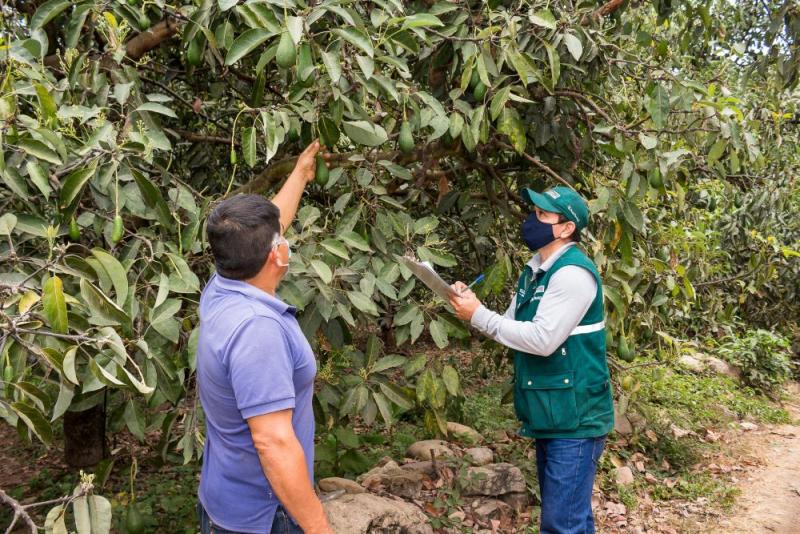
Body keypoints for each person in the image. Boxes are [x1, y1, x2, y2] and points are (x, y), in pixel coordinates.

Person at [449, 186, 613, 534]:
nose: (532, 219)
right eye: (534, 211)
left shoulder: (573, 274)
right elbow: (507, 327)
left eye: (543, 215)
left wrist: (478, 314)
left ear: (566, 228)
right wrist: (471, 306)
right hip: (552, 412)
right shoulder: (536, 269)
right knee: (572, 519)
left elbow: (542, 340)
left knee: (560, 524)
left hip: (576, 417)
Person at [196, 141, 334, 534]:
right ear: (276, 256)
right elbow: (272, 443)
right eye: (281, 240)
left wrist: (302, 173)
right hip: (263, 517)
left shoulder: (223, 284)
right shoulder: (258, 331)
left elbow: (270, 229)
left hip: (225, 502)